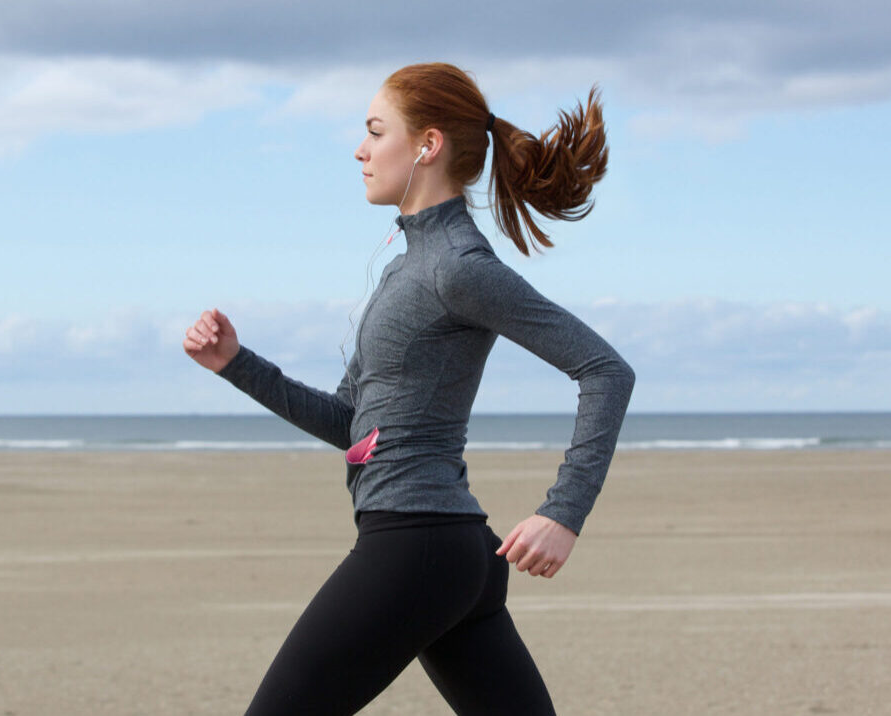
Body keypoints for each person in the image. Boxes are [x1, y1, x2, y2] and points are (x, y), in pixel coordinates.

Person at [183, 62, 635, 716]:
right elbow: (352, 426)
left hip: (417, 545)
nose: (360, 149)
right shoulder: (407, 267)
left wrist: (564, 511)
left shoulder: (458, 267)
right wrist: (236, 363)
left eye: (375, 130)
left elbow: (605, 370)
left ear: (427, 145)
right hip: (450, 554)